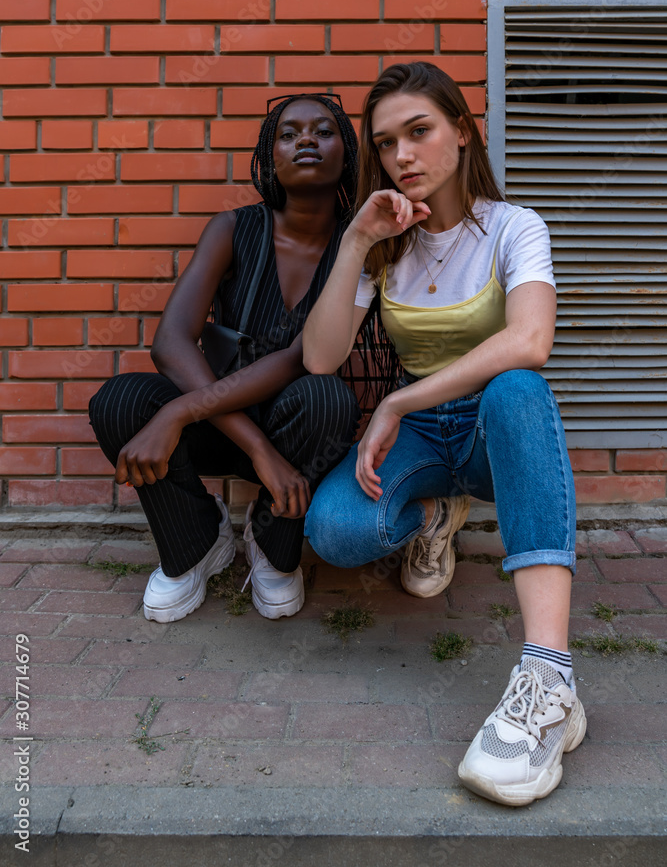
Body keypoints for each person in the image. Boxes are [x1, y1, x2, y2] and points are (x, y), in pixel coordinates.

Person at [302, 62, 586, 807]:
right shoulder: (390, 242)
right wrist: (356, 244)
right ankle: (436, 513)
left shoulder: (513, 227)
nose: (402, 156)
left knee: (518, 388)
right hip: (426, 435)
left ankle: (549, 677)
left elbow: (529, 340)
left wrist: (396, 404)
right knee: (334, 531)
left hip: (495, 431)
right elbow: (320, 357)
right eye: (387, 142)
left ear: (460, 132)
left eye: (419, 131)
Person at [89, 93, 361, 622]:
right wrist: (248, 444)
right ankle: (194, 544)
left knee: (329, 397)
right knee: (120, 402)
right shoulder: (233, 229)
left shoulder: (361, 243)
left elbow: (299, 359)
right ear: (270, 157)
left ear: (347, 153)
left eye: (323, 131)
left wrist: (183, 412)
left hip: (297, 430)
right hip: (220, 425)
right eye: (288, 133)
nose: (305, 139)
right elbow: (170, 342)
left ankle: (271, 543)